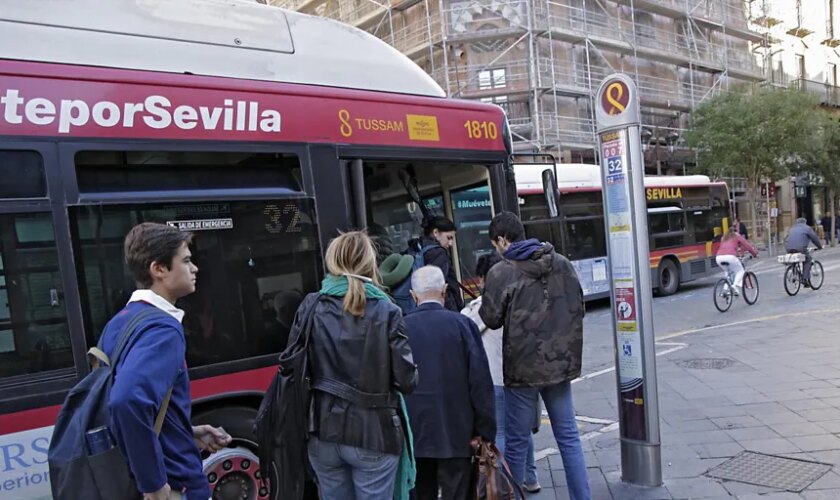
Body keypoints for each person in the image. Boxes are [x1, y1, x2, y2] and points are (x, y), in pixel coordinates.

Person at [106, 223, 231, 500]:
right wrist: (154, 485)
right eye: (186, 261)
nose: (195, 268)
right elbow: (127, 401)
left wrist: (185, 432)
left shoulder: (121, 321)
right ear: (158, 269)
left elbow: (130, 406)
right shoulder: (163, 330)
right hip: (178, 485)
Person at [479, 212, 590, 500]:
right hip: (560, 365)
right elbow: (579, 306)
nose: (497, 250)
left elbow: (490, 319)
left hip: (522, 370)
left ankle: (514, 497)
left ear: (503, 240)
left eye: (495, 244)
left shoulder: (502, 272)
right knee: (569, 438)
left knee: (516, 443)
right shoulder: (562, 264)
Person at [306, 231, 418, 499]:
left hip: (322, 431)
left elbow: (296, 371)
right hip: (374, 433)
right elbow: (407, 381)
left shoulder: (310, 306)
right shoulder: (387, 310)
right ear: (369, 263)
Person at [404, 266, 496, 500]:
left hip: (415, 435)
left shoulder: (401, 328)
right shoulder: (463, 326)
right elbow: (480, 383)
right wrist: (485, 432)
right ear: (444, 291)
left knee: (420, 491)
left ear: (414, 296)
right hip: (457, 433)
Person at [462, 253, 541, 493]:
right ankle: (531, 477)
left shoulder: (480, 308)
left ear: (485, 279)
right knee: (523, 430)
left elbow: (465, 328)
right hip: (523, 376)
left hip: (496, 379)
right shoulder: (521, 300)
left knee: (504, 434)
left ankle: (505, 486)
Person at [413, 216, 464, 312]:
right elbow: (438, 288)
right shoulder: (438, 253)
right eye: (449, 238)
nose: (451, 243)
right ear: (436, 233)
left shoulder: (417, 247)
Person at [715, 228, 758, 294]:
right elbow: (747, 245)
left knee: (727, 272)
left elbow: (727, 248)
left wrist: (737, 253)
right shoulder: (736, 235)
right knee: (740, 271)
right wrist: (754, 253)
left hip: (718, 257)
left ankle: (725, 289)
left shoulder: (724, 237)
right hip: (730, 257)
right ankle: (734, 286)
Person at [785, 217, 823, 287]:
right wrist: (819, 247)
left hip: (788, 248)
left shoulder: (792, 228)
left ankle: (794, 272)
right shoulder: (807, 228)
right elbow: (814, 238)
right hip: (800, 248)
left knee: (794, 260)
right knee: (808, 259)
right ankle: (805, 279)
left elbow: (787, 238)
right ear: (805, 222)